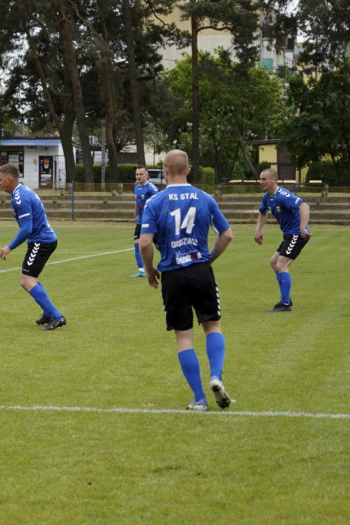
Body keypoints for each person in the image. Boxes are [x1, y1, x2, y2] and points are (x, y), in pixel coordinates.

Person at [139, 149, 233, 411]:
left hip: (172, 274)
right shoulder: (205, 198)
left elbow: (145, 242)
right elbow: (227, 235)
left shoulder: (155, 202)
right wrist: (209, 259)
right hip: (201, 269)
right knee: (212, 326)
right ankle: (216, 376)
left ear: (165, 171)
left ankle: (200, 399)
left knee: (184, 338)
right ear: (189, 170)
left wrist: (149, 270)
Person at [0, 163, 66, 330]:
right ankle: (48, 313)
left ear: (9, 179)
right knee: (28, 279)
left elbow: (27, 228)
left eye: (0, 180)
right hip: (42, 239)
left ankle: (57, 317)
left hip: (41, 241)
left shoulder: (21, 197)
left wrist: (9, 247)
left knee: (27, 281)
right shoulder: (22, 191)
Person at [255, 168, 311, 312]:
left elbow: (304, 207)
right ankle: (285, 298)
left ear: (274, 180)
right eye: (260, 179)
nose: (261, 182)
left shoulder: (283, 195)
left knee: (281, 265)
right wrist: (258, 231)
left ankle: (285, 304)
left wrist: (303, 228)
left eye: (264, 179)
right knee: (274, 263)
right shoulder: (267, 197)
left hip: (297, 234)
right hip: (289, 234)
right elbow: (262, 213)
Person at [131, 165, 159, 278]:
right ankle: (141, 269)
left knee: (158, 244)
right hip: (140, 221)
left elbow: (157, 205)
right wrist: (135, 215)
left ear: (147, 175)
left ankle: (171, 263)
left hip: (151, 221)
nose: (138, 176)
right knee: (137, 243)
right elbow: (137, 202)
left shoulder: (152, 189)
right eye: (137, 174)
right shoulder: (136, 188)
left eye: (141, 174)